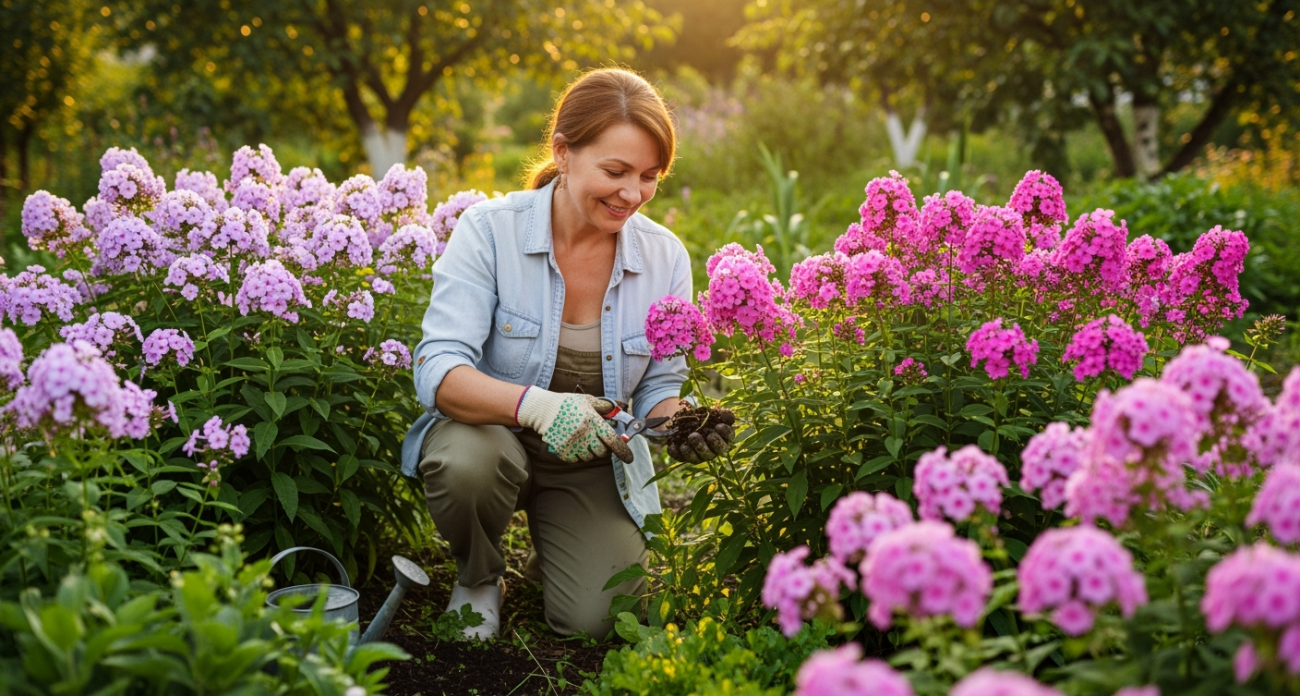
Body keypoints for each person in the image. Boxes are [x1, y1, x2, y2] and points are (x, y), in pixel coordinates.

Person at [400, 68, 734, 641]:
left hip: (589, 455)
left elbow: (658, 389)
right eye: (615, 171)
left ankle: (554, 554)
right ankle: (480, 576)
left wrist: (684, 427)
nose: (632, 194)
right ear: (563, 152)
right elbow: (439, 371)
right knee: (467, 464)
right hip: (489, 435)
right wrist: (538, 408)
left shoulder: (664, 258)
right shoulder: (489, 232)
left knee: (596, 622)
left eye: (650, 176)